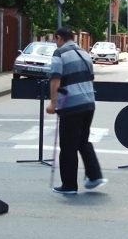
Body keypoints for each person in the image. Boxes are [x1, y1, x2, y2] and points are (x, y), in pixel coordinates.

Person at [46, 28, 107, 194]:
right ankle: (94, 175)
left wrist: (53, 104)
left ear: (59, 38)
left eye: (55, 39)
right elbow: (91, 78)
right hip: (88, 103)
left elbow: (55, 79)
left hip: (71, 105)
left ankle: (69, 185)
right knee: (82, 141)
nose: (55, 43)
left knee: (68, 145)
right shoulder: (84, 53)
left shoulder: (59, 53)